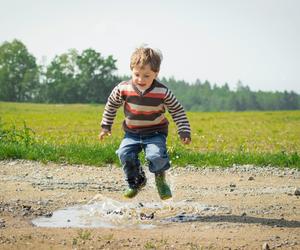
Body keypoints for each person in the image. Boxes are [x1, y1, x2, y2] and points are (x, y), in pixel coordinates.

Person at [99, 46, 191, 200]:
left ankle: (160, 180)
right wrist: (105, 126)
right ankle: (137, 181)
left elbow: (177, 111)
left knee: (155, 156)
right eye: (137, 74)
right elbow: (111, 105)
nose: (141, 80)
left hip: (155, 133)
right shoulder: (123, 89)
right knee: (124, 153)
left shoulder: (163, 92)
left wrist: (184, 131)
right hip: (132, 133)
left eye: (146, 76)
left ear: (156, 73)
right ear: (131, 70)